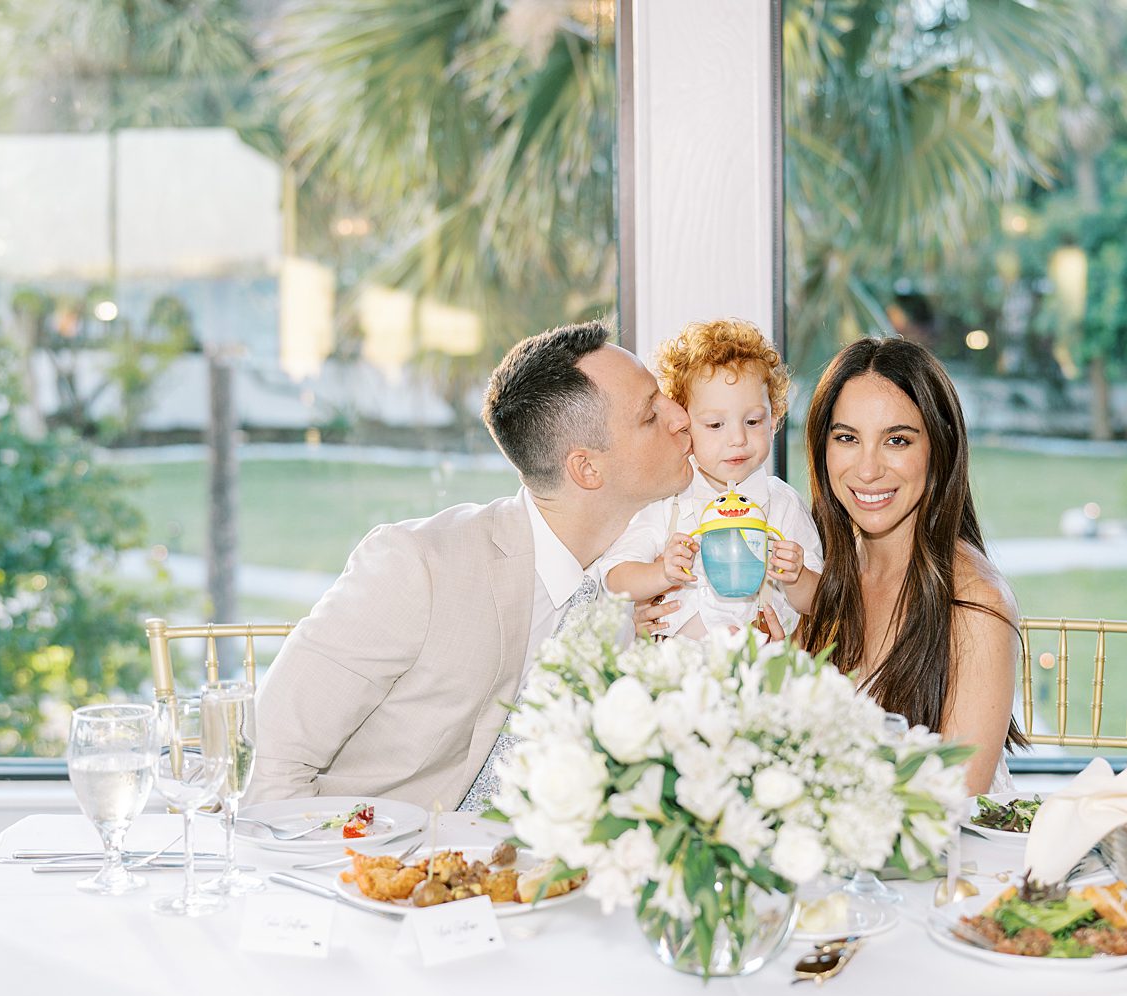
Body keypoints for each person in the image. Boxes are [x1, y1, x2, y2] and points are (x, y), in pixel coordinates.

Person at [247, 320, 692, 807]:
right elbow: (273, 762)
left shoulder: (660, 567)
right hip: (377, 864)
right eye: (650, 415)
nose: (681, 417)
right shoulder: (419, 568)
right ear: (586, 468)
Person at [794, 336, 1025, 794]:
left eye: (896, 440)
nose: (867, 469)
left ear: (939, 448)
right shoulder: (819, 575)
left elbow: (958, 800)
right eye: (847, 438)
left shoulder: (976, 602)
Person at [599, 319, 822, 639]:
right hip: (678, 676)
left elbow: (819, 601)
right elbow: (615, 578)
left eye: (753, 420)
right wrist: (659, 572)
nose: (737, 439)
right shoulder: (669, 502)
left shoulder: (783, 506)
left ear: (774, 419)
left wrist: (797, 577)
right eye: (716, 425)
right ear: (684, 425)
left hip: (756, 672)